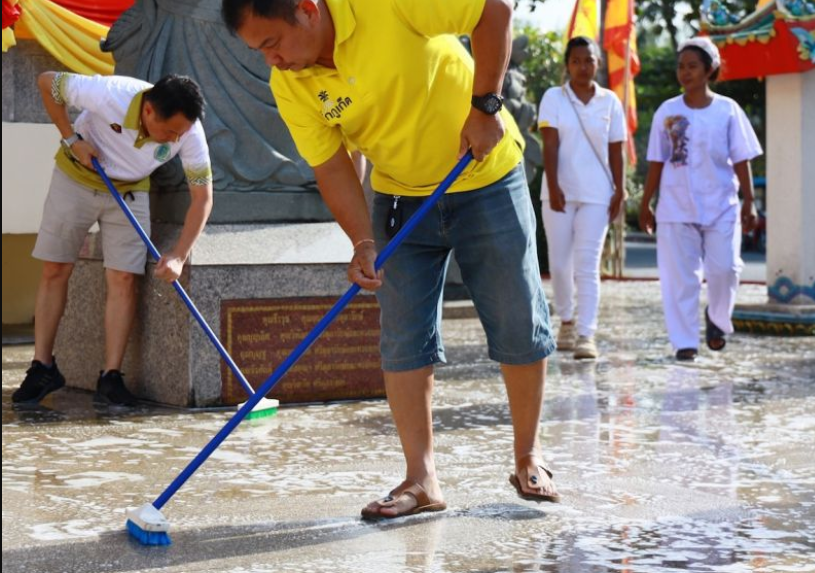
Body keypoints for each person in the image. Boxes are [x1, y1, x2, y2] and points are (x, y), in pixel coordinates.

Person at [222, 0, 559, 517]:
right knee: (403, 336)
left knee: (518, 319)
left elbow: (493, 11)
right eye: (258, 52)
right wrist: (361, 242)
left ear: (307, 10)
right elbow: (332, 167)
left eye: (272, 44)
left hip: (485, 175)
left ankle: (527, 457)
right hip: (401, 199)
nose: (272, 61)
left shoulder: (383, 6)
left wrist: (485, 106)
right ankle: (421, 480)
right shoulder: (291, 85)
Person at [11, 73, 214, 406]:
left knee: (123, 276)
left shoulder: (189, 132)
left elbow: (203, 197)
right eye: (170, 132)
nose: (175, 139)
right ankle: (42, 367)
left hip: (130, 190)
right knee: (55, 268)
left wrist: (179, 255)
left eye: (181, 132)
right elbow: (47, 82)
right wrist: (71, 139)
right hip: (77, 178)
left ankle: (111, 377)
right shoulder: (110, 94)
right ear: (148, 111)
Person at [639, 37, 761, 362]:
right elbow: (656, 161)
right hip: (676, 206)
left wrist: (750, 201)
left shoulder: (728, 110)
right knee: (680, 277)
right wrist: (645, 201)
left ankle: (718, 318)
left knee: (725, 269)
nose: (685, 72)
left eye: (692, 66)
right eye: (681, 66)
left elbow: (741, 158)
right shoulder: (667, 112)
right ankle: (685, 343)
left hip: (722, 205)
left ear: (710, 70)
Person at [537, 36, 626, 360]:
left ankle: (586, 334)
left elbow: (616, 150)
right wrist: (554, 184)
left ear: (597, 64)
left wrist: (620, 189)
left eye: (588, 60)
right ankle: (567, 321)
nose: (582, 66)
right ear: (567, 65)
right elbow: (550, 144)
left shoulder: (610, 102)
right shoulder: (553, 98)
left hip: (597, 194)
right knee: (560, 266)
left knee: (587, 266)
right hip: (558, 193)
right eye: (576, 61)